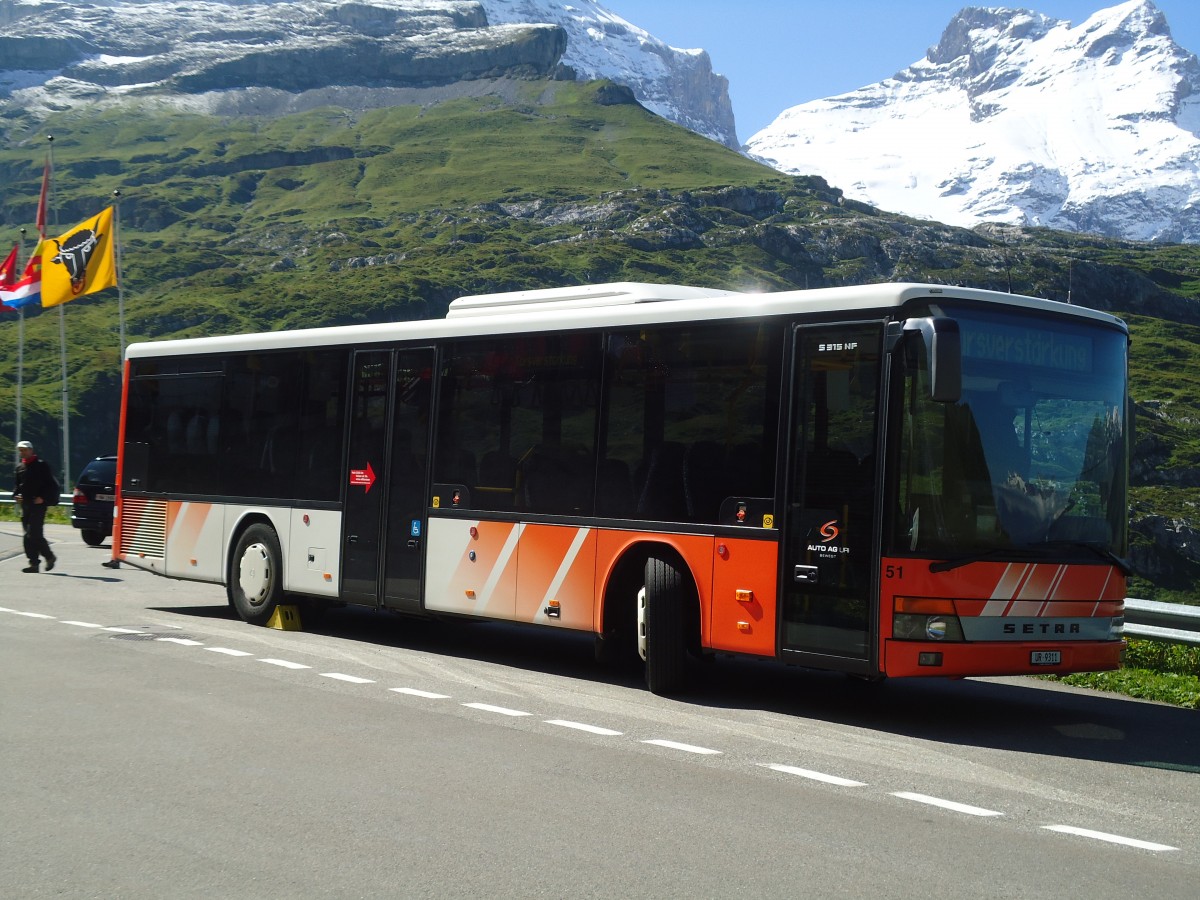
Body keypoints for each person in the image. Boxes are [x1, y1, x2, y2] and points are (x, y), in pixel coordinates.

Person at [13, 440, 58, 574]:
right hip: (25, 505)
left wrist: (43, 498)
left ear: (31, 450)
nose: (23, 452)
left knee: (34, 534)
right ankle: (33, 563)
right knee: (28, 536)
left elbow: (52, 485)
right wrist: (17, 495)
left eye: (25, 450)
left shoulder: (41, 465)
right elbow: (17, 486)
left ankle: (49, 556)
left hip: (38, 505)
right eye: (21, 450)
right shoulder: (19, 467)